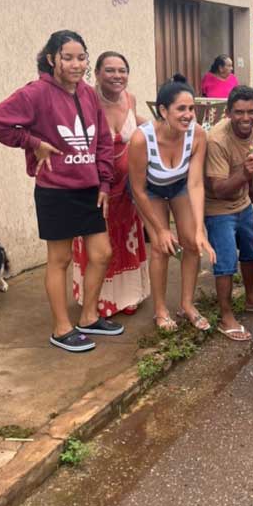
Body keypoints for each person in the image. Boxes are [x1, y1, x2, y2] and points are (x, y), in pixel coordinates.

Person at [0, 30, 116, 353]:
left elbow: (103, 141)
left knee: (102, 253)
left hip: (90, 191)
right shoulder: (36, 93)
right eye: (68, 57)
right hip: (55, 190)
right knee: (60, 259)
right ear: (52, 59)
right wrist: (32, 143)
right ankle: (61, 327)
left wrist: (105, 182)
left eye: (81, 57)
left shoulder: (88, 93)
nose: (76, 64)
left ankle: (88, 316)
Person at [129, 81, 217, 333]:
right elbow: (137, 189)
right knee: (161, 245)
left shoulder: (198, 134)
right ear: (163, 111)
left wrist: (200, 229)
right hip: (149, 189)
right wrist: (161, 228)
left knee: (191, 242)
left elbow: (197, 183)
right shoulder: (141, 139)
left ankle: (187, 305)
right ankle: (160, 310)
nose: (188, 115)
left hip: (179, 186)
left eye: (191, 108)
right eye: (181, 109)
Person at [70, 52, 149, 319]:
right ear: (97, 73)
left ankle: (128, 296)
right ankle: (99, 300)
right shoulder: (86, 101)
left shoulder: (131, 99)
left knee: (125, 238)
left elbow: (135, 130)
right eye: (110, 70)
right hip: (94, 185)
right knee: (99, 245)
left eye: (122, 70)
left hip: (127, 186)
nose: (117, 76)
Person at [203, 85, 253, 340]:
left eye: (251, 112)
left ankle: (252, 299)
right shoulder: (217, 141)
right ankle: (226, 316)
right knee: (226, 262)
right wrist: (244, 174)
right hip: (217, 208)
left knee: (252, 249)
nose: (246, 118)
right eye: (239, 112)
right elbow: (218, 189)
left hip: (243, 202)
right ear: (228, 113)